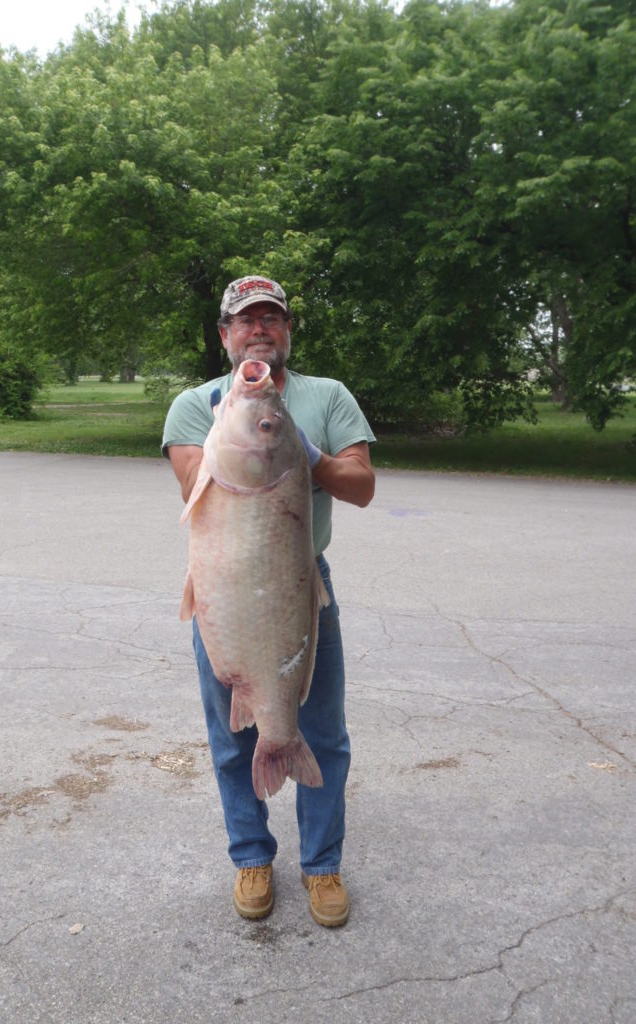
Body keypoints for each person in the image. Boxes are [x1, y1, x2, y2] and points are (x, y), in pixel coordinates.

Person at [162, 275, 375, 927]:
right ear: (225, 335)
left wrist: (305, 454)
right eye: (245, 320)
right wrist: (252, 420)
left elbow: (361, 484)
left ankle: (322, 867)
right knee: (231, 734)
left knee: (324, 731)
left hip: (301, 584)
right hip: (223, 593)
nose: (260, 329)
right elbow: (197, 482)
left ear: (287, 331)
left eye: (271, 319)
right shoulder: (196, 406)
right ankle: (251, 857)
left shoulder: (328, 397)